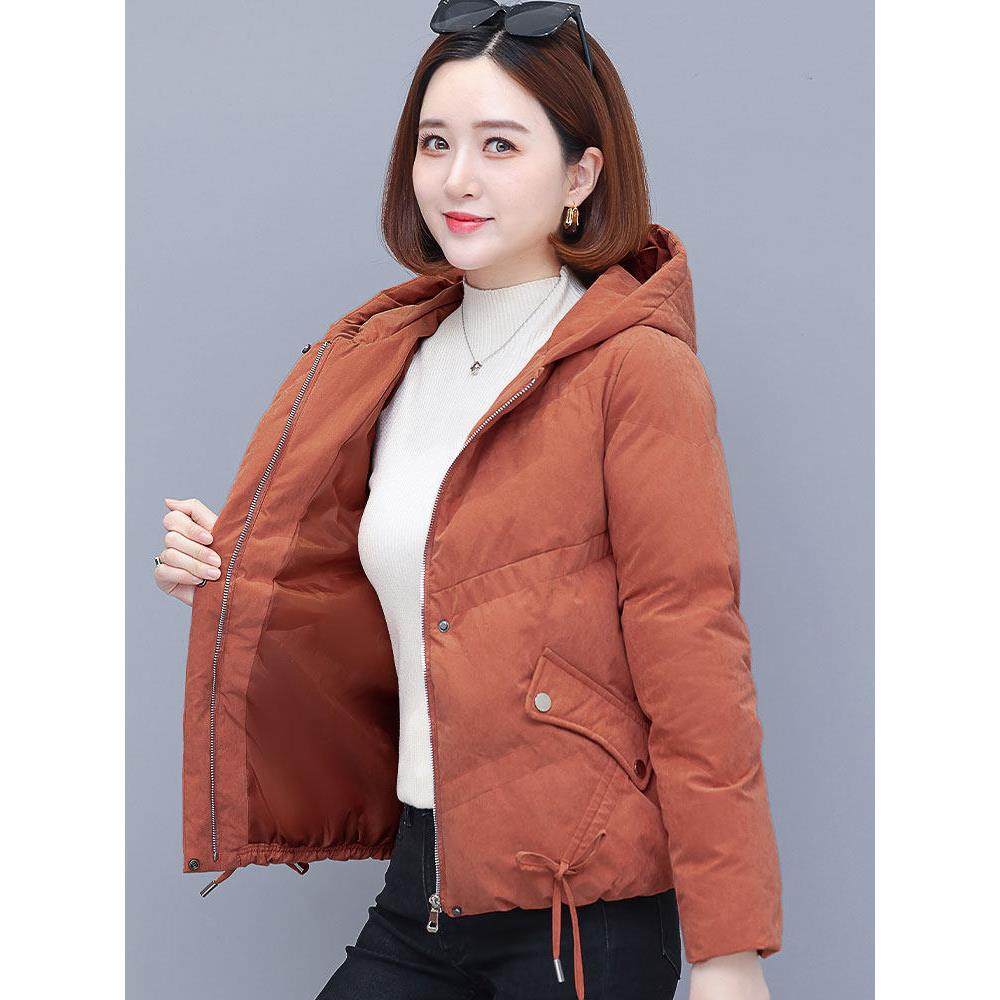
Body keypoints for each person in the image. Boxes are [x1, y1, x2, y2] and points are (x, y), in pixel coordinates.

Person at [154, 4, 782, 998]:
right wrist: (230, 573)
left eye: (500, 145)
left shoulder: (637, 371)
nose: (456, 178)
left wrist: (728, 949)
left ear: (580, 175)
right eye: (435, 142)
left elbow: (695, 656)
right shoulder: (379, 358)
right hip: (426, 881)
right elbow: (401, 595)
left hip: (583, 907)